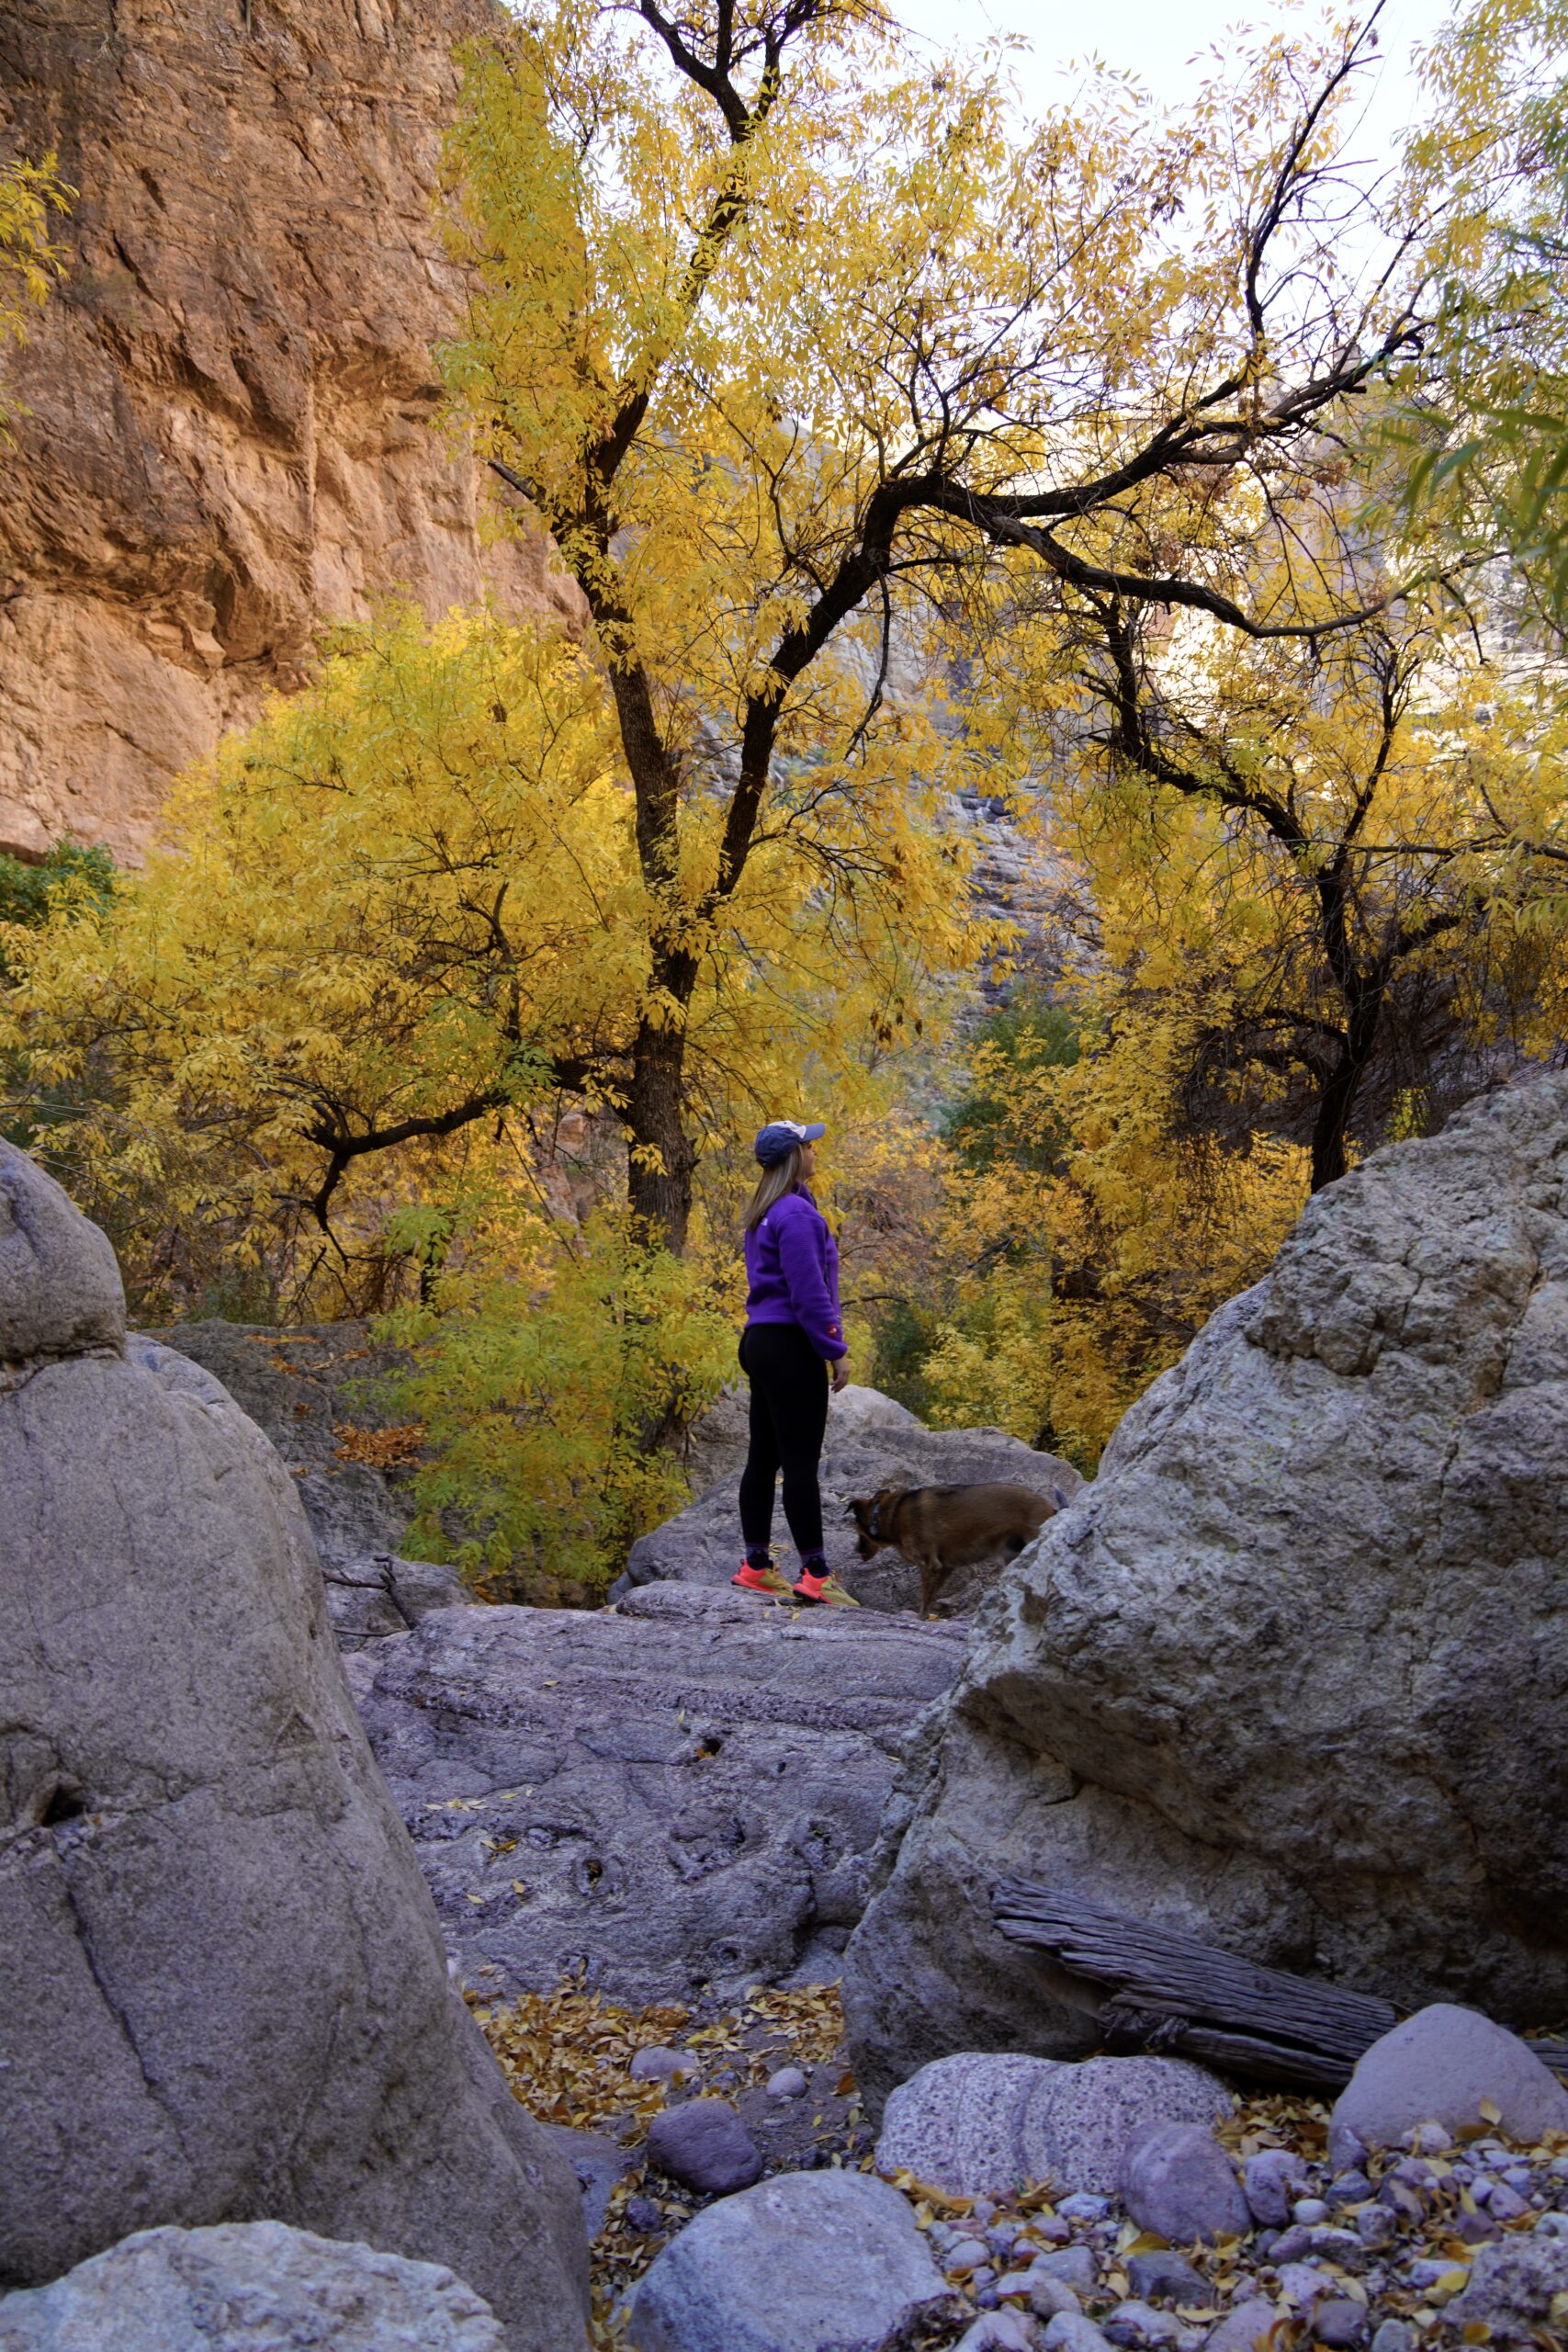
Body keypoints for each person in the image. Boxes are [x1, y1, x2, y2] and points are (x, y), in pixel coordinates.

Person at [731, 1118, 860, 1607]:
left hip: (759, 1343)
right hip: (790, 1346)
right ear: (793, 1157)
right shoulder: (798, 1217)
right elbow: (809, 1294)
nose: (814, 1150)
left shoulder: (764, 1212)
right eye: (808, 1145)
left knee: (763, 1459)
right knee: (801, 1465)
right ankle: (816, 1574)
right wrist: (834, 1348)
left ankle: (756, 1565)